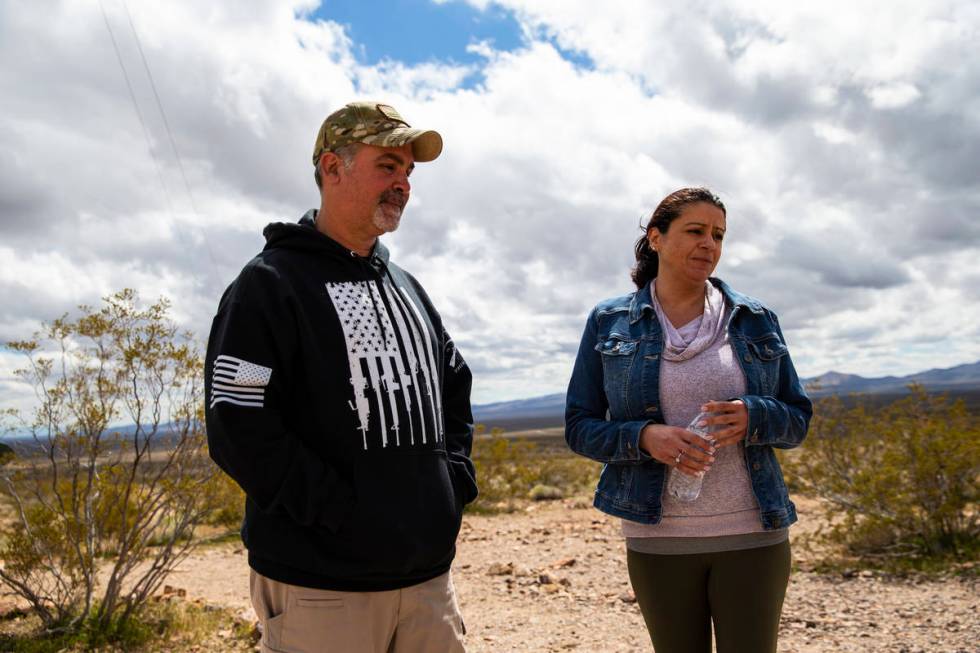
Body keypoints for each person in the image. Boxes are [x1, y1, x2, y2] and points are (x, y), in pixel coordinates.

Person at [205, 101, 477, 653]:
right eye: (387, 165)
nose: (403, 183)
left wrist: (452, 487)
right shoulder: (269, 284)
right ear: (333, 167)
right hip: (320, 587)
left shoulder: (406, 287)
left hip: (427, 584)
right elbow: (237, 421)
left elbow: (453, 384)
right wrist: (338, 512)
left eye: (408, 171)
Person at [565, 187, 811, 653]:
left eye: (718, 235)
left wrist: (753, 415)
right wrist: (644, 437)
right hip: (659, 536)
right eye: (695, 231)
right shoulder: (609, 321)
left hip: (753, 534)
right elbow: (580, 427)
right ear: (655, 238)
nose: (709, 245)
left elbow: (797, 419)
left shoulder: (755, 319)